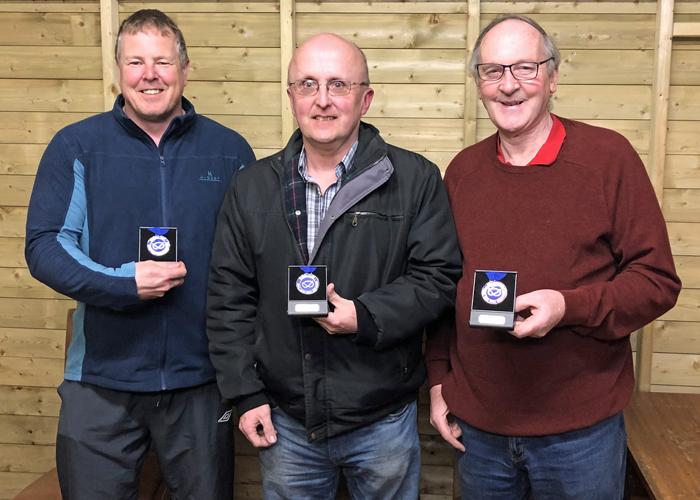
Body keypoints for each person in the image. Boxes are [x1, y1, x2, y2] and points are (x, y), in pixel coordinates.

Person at [425, 14, 682, 500]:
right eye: (492, 71)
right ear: (479, 84)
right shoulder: (462, 172)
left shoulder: (609, 159)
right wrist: (439, 380)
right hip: (479, 433)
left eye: (525, 68)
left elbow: (657, 281)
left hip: (580, 437)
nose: (508, 86)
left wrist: (569, 308)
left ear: (554, 78)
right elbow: (443, 289)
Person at [206, 33, 462, 499]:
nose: (322, 100)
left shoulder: (416, 179)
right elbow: (228, 299)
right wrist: (245, 395)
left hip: (382, 419)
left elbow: (438, 278)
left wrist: (365, 316)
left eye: (338, 85)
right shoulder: (251, 188)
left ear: (365, 99)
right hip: (286, 421)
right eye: (307, 84)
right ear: (291, 98)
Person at [25, 9, 254, 499]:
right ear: (118, 71)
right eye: (135, 62)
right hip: (101, 384)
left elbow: (249, 260)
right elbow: (47, 246)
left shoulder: (230, 151)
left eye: (162, 61)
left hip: (200, 382)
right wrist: (123, 283)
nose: (149, 74)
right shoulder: (76, 146)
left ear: (185, 69)